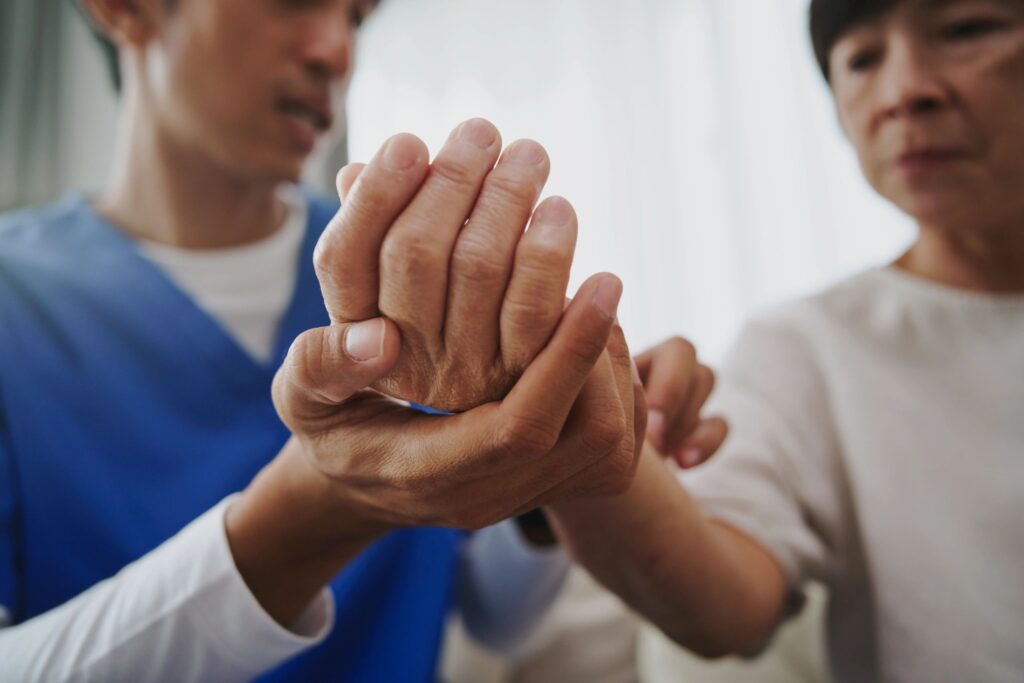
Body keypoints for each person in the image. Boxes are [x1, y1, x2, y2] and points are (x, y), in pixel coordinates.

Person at [0, 0, 720, 680]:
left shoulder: (409, 269)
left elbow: (492, 613)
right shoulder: (16, 303)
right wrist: (311, 514)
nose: (336, 49)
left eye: (355, 15)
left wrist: (545, 458)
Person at [546, 1, 1024, 681]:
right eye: (862, 58)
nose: (903, 92)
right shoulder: (809, 346)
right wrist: (576, 432)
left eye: (966, 30)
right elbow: (720, 604)